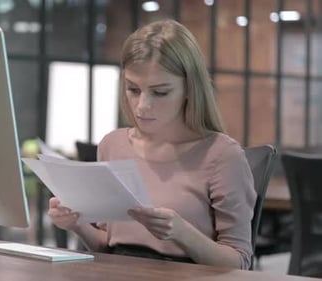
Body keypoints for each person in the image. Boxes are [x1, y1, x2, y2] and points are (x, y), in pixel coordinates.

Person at [47, 19, 256, 270]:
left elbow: (240, 264)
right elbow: (108, 246)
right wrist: (75, 224)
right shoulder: (112, 145)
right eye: (133, 89)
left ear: (190, 88)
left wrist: (182, 233)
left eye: (160, 92)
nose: (142, 106)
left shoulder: (221, 155)